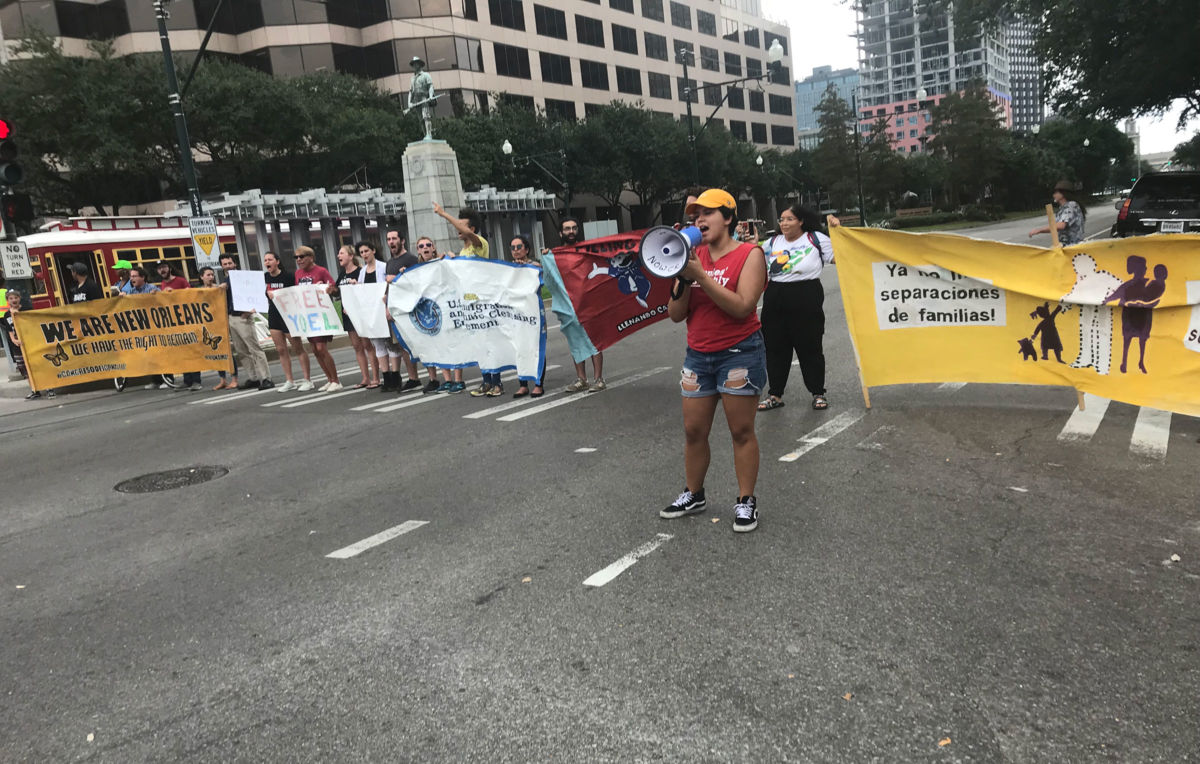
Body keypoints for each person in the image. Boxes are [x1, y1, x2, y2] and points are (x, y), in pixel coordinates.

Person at [662, 188, 767, 533]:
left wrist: (702, 278)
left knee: (740, 430)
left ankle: (746, 501)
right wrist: (682, 275)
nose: (699, 220)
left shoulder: (749, 254)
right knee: (694, 431)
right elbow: (676, 314)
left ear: (729, 217)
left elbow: (742, 307)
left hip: (739, 352)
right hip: (699, 355)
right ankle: (694, 493)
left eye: (707, 213)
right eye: (694, 216)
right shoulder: (691, 259)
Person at [757, 203, 836, 412]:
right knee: (775, 347)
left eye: (789, 219)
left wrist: (838, 231)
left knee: (810, 346)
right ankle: (775, 394)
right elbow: (754, 262)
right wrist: (751, 244)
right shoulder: (772, 242)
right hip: (775, 296)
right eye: (781, 219)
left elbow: (840, 257)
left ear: (801, 221)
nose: (784, 223)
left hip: (806, 294)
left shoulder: (815, 239)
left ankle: (818, 392)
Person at [432, 202, 488, 393]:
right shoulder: (463, 251)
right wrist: (450, 262)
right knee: (479, 345)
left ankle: (494, 381)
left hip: (481, 301)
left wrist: (443, 214)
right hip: (467, 303)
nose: (457, 229)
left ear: (471, 229)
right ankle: (487, 381)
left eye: (460, 226)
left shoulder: (480, 243)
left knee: (487, 343)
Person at [553, 217, 606, 393]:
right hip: (569, 306)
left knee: (594, 340)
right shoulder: (554, 255)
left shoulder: (586, 251)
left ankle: (598, 379)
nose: (571, 232)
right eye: (567, 229)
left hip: (589, 303)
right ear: (561, 233)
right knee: (576, 342)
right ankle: (581, 379)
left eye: (574, 228)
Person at [218, 253, 274, 391]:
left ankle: (266, 378)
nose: (228, 266)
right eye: (225, 264)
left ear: (235, 264)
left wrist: (250, 312)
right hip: (231, 317)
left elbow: (255, 293)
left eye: (230, 263)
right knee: (241, 350)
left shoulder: (243, 277)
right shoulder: (225, 280)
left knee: (254, 348)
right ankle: (253, 377)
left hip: (243, 317)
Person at [328, 244, 379, 389]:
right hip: (347, 315)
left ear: (351, 256)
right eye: (338, 254)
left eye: (341, 253)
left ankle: (376, 377)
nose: (339, 256)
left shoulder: (360, 272)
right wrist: (332, 290)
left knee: (367, 345)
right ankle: (365, 378)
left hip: (360, 314)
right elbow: (338, 293)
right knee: (357, 347)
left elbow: (364, 292)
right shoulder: (342, 275)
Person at [263, 251, 314, 392]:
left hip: (289, 315)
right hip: (274, 315)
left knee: (297, 347)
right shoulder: (265, 278)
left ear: (277, 261)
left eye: (270, 259)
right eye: (265, 260)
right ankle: (289, 380)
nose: (267, 262)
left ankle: (307, 379)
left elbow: (297, 295)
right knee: (280, 349)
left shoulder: (288, 277)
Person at [293, 245, 341, 392]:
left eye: (301, 257)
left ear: (311, 257)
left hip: (321, 315)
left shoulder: (321, 271)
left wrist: (328, 288)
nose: (298, 260)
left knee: (321, 347)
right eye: (296, 257)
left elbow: (334, 290)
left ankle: (336, 380)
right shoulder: (298, 274)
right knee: (314, 349)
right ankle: (329, 379)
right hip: (308, 316)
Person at [382, 234, 426, 393]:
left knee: (415, 344)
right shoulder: (390, 262)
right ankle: (413, 378)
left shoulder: (411, 259)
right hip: (395, 309)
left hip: (410, 308)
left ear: (402, 241)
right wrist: (387, 300)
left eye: (394, 239)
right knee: (402, 345)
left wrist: (395, 278)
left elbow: (417, 282)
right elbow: (390, 287)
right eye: (388, 239)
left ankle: (433, 377)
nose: (391, 242)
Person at [508, 234, 545, 399]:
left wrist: (526, 267)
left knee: (536, 347)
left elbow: (539, 269)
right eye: (513, 248)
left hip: (534, 313)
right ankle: (522, 384)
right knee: (519, 348)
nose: (516, 251)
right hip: (517, 315)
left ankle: (538, 384)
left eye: (519, 247)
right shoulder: (508, 269)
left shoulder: (533, 266)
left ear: (527, 249)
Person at [201, 266, 239, 390]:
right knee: (216, 351)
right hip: (210, 325)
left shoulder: (219, 288)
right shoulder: (199, 292)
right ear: (202, 277)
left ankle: (234, 378)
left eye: (212, 274)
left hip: (222, 322)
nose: (211, 277)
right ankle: (222, 379)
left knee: (227, 351)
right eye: (208, 275)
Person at [1029, 180, 1086, 245]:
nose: (1054, 195)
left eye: (1056, 192)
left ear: (1063, 194)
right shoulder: (1062, 208)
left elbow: (1061, 225)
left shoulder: (1071, 205)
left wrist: (1039, 230)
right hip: (1064, 246)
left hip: (1073, 247)